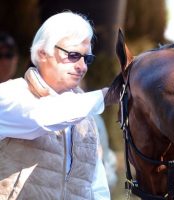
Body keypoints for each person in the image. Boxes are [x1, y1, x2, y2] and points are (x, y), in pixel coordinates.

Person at [0, 11, 111, 199]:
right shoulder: (9, 94)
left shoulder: (86, 117)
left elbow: (96, 187)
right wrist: (107, 95)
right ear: (43, 53)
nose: (82, 66)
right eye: (74, 55)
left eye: (88, 58)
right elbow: (42, 118)